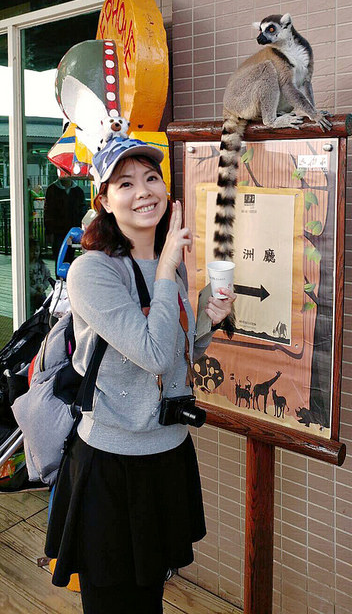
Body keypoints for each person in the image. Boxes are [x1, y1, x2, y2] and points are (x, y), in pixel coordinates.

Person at [45, 137, 235, 614]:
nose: (143, 191)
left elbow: (178, 353)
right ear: (105, 201)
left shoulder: (170, 263)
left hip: (166, 454)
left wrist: (207, 315)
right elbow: (150, 353)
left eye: (151, 177)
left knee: (150, 600)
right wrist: (170, 267)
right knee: (113, 605)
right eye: (124, 183)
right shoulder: (92, 272)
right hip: (110, 464)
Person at [44, 176, 87, 275]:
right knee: (60, 257)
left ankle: (69, 282)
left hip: (73, 232)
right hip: (58, 232)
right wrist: (49, 232)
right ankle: (59, 283)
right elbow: (48, 212)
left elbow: (82, 211)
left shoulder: (78, 191)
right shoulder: (52, 190)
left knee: (70, 257)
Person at [28, 239, 52, 311]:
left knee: (45, 310)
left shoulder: (41, 265)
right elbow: (23, 284)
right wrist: (34, 292)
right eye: (32, 251)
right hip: (30, 297)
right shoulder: (25, 267)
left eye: (37, 251)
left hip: (41, 294)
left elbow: (48, 277)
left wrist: (44, 286)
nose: (35, 253)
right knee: (30, 313)